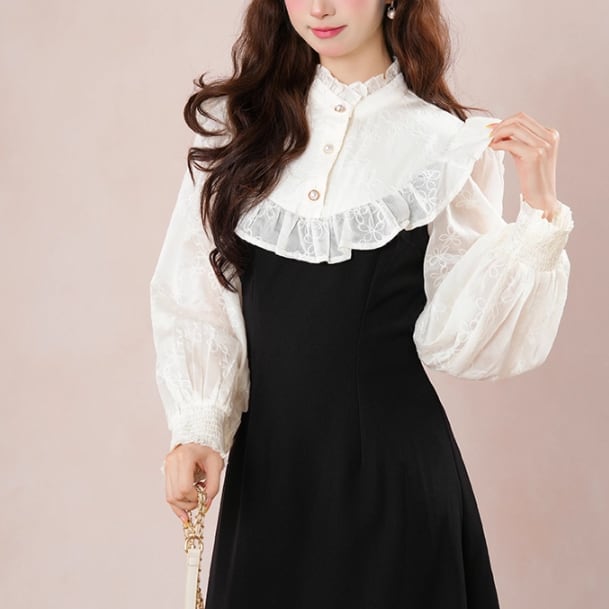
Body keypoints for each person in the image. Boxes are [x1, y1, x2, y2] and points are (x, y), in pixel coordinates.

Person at [149, 1, 574, 607]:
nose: (319, 8)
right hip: (269, 482)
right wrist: (198, 429)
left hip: (396, 487)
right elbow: (197, 296)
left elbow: (461, 341)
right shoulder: (240, 128)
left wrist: (539, 214)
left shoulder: (447, 145)